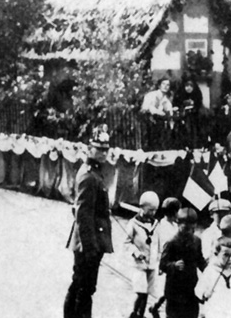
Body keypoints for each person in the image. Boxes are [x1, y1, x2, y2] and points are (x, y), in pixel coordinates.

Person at [64, 125, 113, 318]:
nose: (103, 153)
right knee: (83, 286)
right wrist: (90, 247)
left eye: (106, 149)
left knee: (83, 286)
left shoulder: (94, 172)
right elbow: (83, 215)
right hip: (88, 242)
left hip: (92, 239)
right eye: (99, 148)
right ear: (89, 149)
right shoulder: (88, 175)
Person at [160, 207, 206, 318]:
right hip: (174, 289)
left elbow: (200, 260)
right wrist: (173, 265)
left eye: (190, 229)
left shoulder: (197, 241)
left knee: (192, 314)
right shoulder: (171, 242)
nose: (187, 231)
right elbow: (162, 264)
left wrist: (209, 271)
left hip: (191, 287)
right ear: (178, 224)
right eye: (184, 228)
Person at [125, 191, 161, 318]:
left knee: (147, 292)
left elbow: (158, 242)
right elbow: (126, 243)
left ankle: (141, 313)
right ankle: (134, 313)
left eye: (155, 210)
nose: (153, 213)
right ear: (142, 207)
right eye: (150, 210)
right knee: (141, 291)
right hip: (138, 264)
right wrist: (136, 253)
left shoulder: (156, 224)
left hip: (152, 263)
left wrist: (159, 259)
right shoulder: (133, 223)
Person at [149, 197, 181, 318]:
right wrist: (159, 263)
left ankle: (155, 307)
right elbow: (156, 245)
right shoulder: (161, 226)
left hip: (174, 260)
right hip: (164, 260)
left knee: (171, 289)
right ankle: (156, 307)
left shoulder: (175, 225)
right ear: (173, 212)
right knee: (165, 290)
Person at [194, 237, 231, 318]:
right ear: (217, 254)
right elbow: (198, 290)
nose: (230, 259)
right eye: (226, 255)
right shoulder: (211, 271)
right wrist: (205, 294)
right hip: (215, 312)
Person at [141, 78, 174, 150]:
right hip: (148, 122)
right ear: (159, 85)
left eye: (168, 85)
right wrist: (154, 111)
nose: (165, 86)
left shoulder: (167, 100)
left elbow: (170, 113)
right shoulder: (150, 95)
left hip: (160, 125)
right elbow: (144, 108)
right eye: (163, 84)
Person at [200, 198, 231, 262]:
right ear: (211, 215)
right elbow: (206, 256)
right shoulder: (207, 234)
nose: (222, 215)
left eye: (225, 212)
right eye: (218, 213)